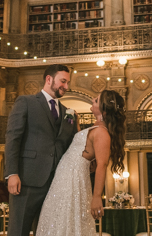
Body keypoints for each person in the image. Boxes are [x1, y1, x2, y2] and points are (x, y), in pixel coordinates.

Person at [35, 90, 127, 236]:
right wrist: (76, 124)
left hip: (73, 180)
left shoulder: (102, 133)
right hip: (64, 177)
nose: (92, 99)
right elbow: (81, 146)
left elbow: (102, 165)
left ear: (103, 108)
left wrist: (97, 196)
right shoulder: (95, 128)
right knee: (58, 217)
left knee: (67, 218)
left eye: (96, 100)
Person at [5, 64, 76, 236]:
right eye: (63, 81)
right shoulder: (26, 102)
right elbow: (13, 138)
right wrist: (12, 173)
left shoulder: (70, 113)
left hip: (56, 183)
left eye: (67, 83)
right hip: (27, 180)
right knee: (18, 230)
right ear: (49, 79)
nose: (66, 87)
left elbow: (70, 145)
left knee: (48, 232)